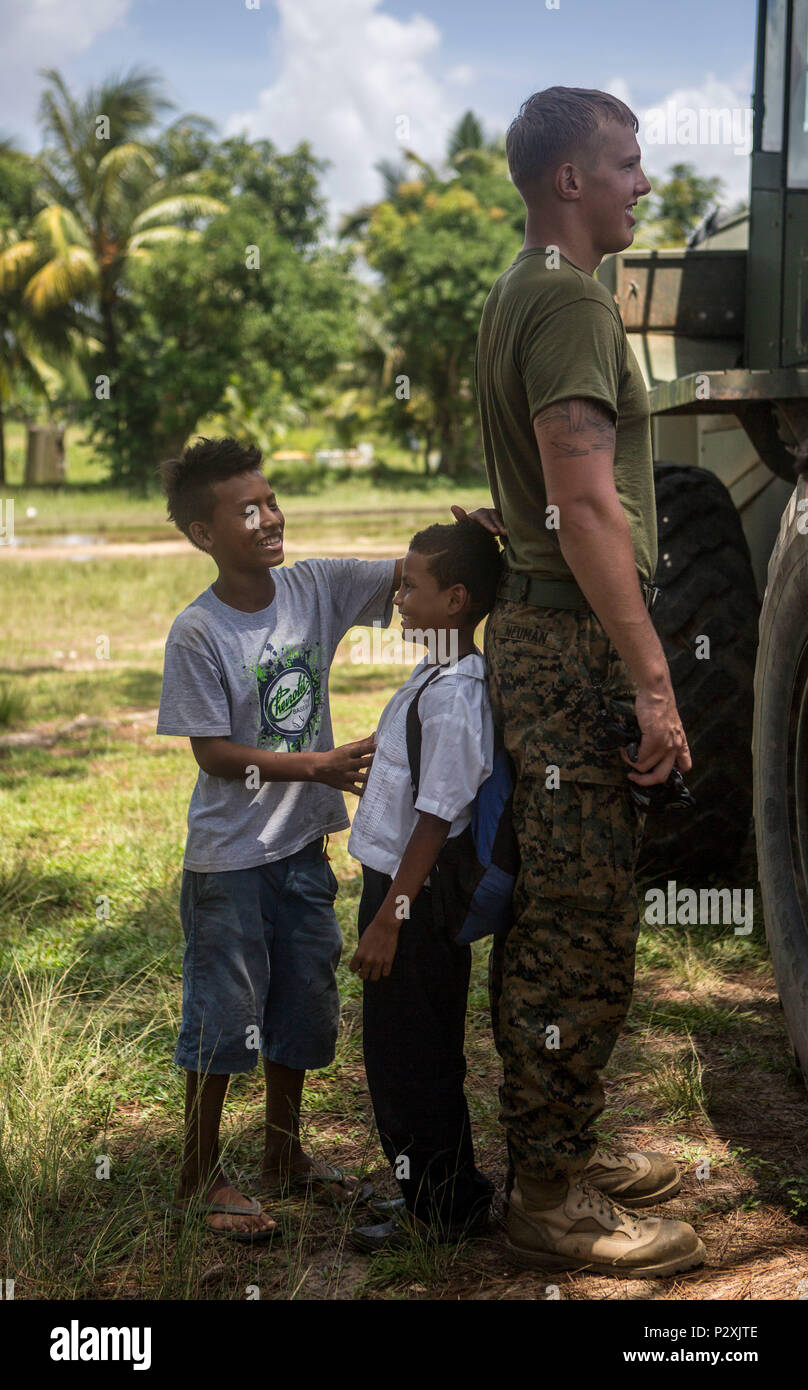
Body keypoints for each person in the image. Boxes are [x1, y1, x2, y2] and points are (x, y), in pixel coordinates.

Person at [474, 87, 706, 1277]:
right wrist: (653, 680)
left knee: (562, 918)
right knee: (578, 931)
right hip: (571, 643)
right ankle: (551, 1199)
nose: (643, 183)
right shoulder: (566, 300)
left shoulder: (521, 289)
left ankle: (559, 1148)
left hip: (545, 636)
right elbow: (581, 499)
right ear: (569, 178)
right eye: (625, 163)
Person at [156, 436, 400, 1240]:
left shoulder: (315, 588)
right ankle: (199, 1177)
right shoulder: (199, 632)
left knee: (301, 1000)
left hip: (300, 851)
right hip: (229, 863)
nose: (268, 518)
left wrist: (479, 534)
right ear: (203, 534)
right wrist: (317, 764)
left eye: (271, 500)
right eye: (246, 509)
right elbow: (214, 754)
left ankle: (283, 1157)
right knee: (223, 1019)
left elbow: (409, 573)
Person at [346, 519, 502, 1251]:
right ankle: (440, 1195)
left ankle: (442, 1211)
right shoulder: (431, 677)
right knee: (405, 1052)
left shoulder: (455, 696)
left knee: (413, 1059)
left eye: (413, 586)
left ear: (457, 600)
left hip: (413, 899)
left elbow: (438, 820)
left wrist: (389, 919)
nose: (399, 596)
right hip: (395, 890)